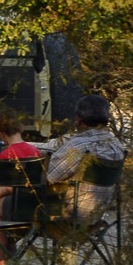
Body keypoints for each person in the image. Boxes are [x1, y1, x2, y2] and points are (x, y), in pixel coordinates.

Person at [39, 94, 126, 224]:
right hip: (96, 218)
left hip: (66, 218)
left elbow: (46, 177)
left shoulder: (78, 145)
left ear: (79, 119)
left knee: (5, 204)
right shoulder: (118, 146)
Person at [0, 113, 40, 265]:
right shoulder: (35, 151)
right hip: (33, 205)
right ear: (22, 128)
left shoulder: (5, 155)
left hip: (14, 209)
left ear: (0, 133)